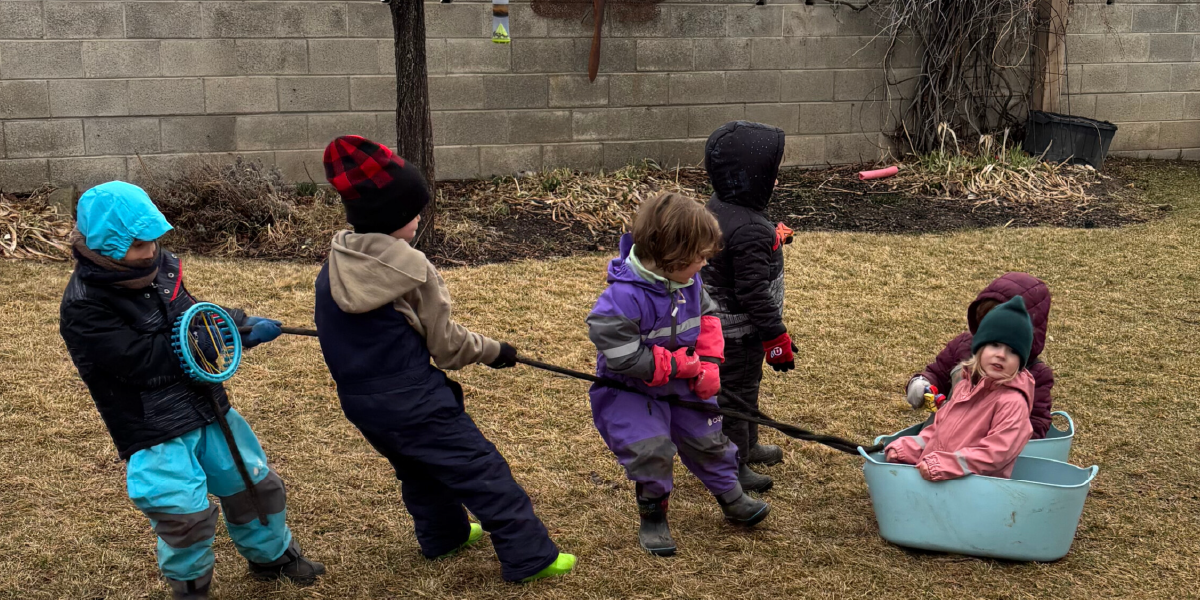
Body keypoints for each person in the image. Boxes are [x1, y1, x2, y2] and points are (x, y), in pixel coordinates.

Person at [312, 135, 574, 583]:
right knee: (481, 470)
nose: (418, 219)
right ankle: (530, 557)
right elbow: (448, 347)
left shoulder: (333, 269)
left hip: (361, 403)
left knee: (418, 468)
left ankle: (444, 536)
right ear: (395, 216)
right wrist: (495, 352)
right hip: (415, 399)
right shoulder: (412, 269)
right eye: (414, 211)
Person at [59, 181, 323, 600]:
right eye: (138, 244)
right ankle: (191, 587)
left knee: (253, 484)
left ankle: (272, 556)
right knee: (183, 514)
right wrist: (210, 341)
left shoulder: (161, 269)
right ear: (108, 243)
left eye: (154, 240)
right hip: (154, 428)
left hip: (209, 407)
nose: (150, 250)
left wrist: (236, 323)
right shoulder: (84, 304)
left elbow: (192, 314)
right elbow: (139, 362)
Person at [587, 191, 771, 557]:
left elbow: (708, 320)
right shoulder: (620, 299)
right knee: (650, 449)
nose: (703, 265)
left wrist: (710, 363)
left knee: (709, 438)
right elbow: (624, 357)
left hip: (686, 382)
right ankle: (654, 515)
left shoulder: (689, 283)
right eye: (697, 258)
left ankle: (732, 497)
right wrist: (676, 365)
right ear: (668, 256)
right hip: (630, 391)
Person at [699, 121, 795, 493]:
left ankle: (749, 444)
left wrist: (772, 236)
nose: (775, 181)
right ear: (748, 177)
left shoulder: (720, 207)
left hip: (720, 326)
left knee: (744, 386)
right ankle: (733, 463)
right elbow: (753, 291)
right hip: (738, 332)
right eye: (770, 174)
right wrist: (776, 336)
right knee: (735, 395)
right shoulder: (750, 228)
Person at [885, 296, 1036, 481]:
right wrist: (906, 449)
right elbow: (938, 431)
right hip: (940, 481)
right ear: (979, 348)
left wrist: (944, 465)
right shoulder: (965, 386)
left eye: (1013, 351)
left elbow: (995, 454)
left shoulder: (1012, 402)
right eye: (995, 344)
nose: (1001, 355)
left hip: (974, 492)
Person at [906, 273, 1054, 438]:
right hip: (939, 436)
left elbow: (1037, 424)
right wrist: (922, 383)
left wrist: (1004, 435)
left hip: (986, 453)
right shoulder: (963, 346)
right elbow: (937, 373)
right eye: (987, 323)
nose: (1000, 354)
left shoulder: (1035, 376)